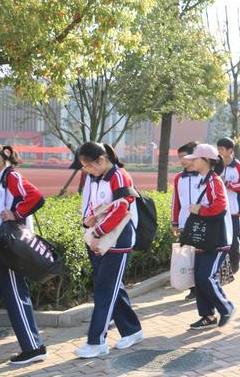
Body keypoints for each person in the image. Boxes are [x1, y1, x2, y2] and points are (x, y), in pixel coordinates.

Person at [76, 142, 143, 358]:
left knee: (105, 291)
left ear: (102, 160)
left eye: (88, 165)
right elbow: (92, 205)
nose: (86, 170)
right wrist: (88, 222)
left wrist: (97, 231)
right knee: (112, 288)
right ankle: (132, 330)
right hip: (99, 239)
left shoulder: (120, 176)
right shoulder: (95, 178)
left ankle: (97, 341)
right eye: (84, 167)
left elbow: (121, 208)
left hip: (117, 240)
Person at [0, 146, 48, 365]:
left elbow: (36, 197)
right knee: (14, 294)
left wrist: (15, 214)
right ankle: (33, 346)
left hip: (10, 248)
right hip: (4, 245)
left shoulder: (11, 176)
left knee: (16, 295)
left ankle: (33, 347)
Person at [182, 144, 235, 329]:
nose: (191, 161)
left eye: (195, 158)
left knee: (206, 276)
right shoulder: (203, 180)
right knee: (199, 277)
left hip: (217, 239)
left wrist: (200, 210)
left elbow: (220, 207)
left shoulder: (214, 181)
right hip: (204, 238)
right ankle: (207, 316)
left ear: (205, 160)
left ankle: (226, 307)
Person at [172, 141, 203, 301]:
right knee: (188, 257)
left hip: (202, 223)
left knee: (200, 256)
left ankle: (203, 287)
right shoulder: (179, 178)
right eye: (180, 157)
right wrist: (175, 223)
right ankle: (193, 289)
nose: (182, 160)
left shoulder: (204, 176)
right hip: (185, 223)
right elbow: (176, 201)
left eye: (184, 156)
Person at [216, 138, 240, 274]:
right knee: (220, 240)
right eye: (218, 149)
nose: (219, 152)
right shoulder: (215, 164)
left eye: (222, 149)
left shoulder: (238, 166)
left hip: (233, 210)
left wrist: (229, 184)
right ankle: (221, 268)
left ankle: (234, 266)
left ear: (230, 151)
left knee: (233, 240)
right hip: (219, 210)